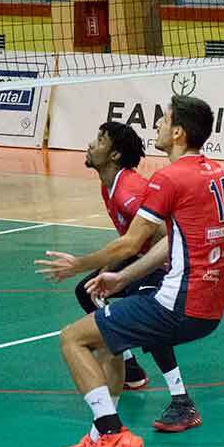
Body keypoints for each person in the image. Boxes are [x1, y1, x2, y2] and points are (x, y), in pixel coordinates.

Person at [36, 96, 224, 447]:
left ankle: (113, 435)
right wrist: (123, 278)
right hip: (207, 304)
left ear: (178, 133)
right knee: (107, 343)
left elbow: (132, 242)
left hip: (176, 302)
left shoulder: (168, 178)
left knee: (72, 339)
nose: (157, 126)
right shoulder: (214, 172)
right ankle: (97, 438)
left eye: (164, 121)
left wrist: (79, 264)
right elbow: (171, 241)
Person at [64, 121, 196, 397]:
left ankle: (179, 395)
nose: (91, 144)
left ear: (114, 155)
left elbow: (166, 234)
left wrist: (151, 269)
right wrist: (105, 270)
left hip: (165, 264)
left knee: (152, 322)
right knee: (88, 291)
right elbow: (129, 241)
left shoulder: (128, 191)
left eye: (100, 140)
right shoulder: (109, 185)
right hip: (141, 257)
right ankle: (130, 368)